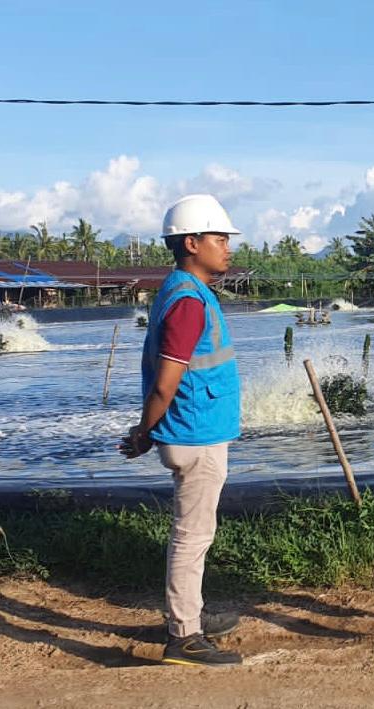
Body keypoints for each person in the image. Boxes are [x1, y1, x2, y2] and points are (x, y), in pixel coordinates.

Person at [119, 194, 243, 666]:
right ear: (191, 243)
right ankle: (184, 635)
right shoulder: (189, 302)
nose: (227, 247)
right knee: (192, 537)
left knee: (193, 535)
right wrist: (144, 431)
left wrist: (148, 430)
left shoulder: (177, 290)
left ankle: (188, 612)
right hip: (195, 433)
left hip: (192, 427)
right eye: (219, 238)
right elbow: (167, 381)